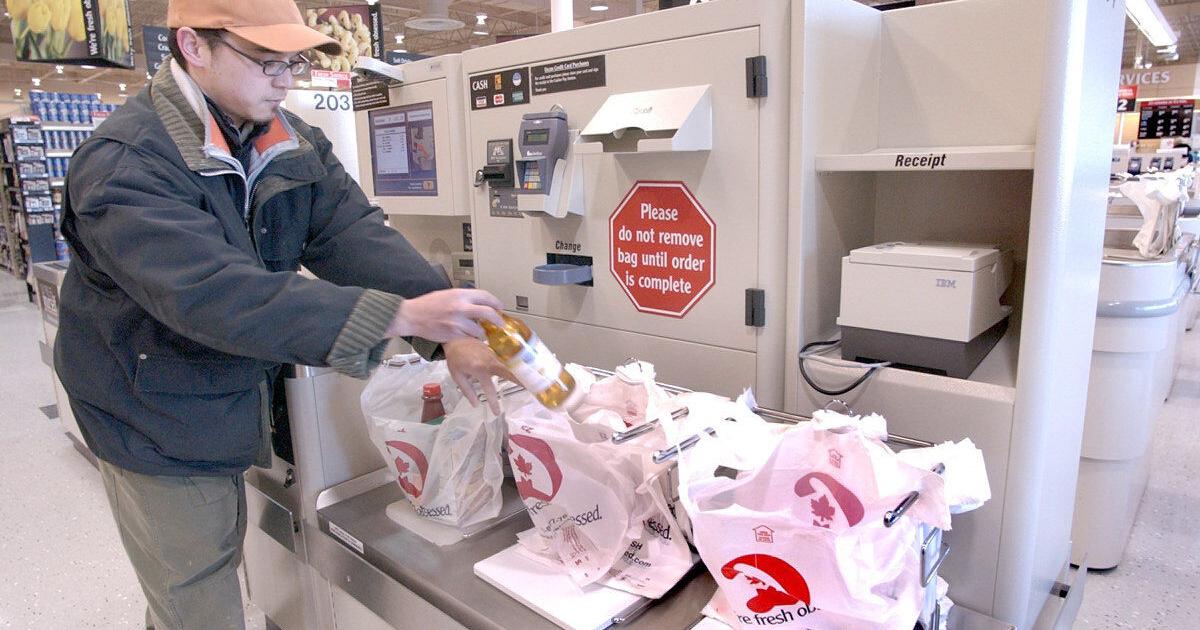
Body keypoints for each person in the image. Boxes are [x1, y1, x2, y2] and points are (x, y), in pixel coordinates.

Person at [54, 1, 509, 628]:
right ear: (192, 45)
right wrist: (399, 316)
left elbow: (351, 233)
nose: (286, 80)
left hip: (232, 384)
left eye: (292, 62)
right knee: (196, 590)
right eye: (267, 62)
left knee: (228, 547)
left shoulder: (287, 140)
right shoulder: (124, 163)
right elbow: (214, 294)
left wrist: (449, 332)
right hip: (149, 408)